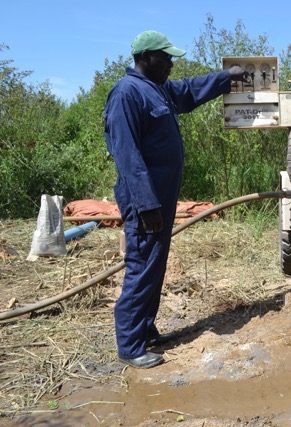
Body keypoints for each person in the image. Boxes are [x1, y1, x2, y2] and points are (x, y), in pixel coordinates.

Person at [103, 30, 249, 369]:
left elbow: (188, 91)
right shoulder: (127, 94)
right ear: (145, 58)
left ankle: (146, 330)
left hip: (161, 197)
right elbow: (127, 154)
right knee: (142, 265)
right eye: (166, 57)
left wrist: (225, 78)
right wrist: (146, 204)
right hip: (146, 200)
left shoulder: (158, 90)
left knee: (154, 262)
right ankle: (130, 346)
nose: (171, 63)